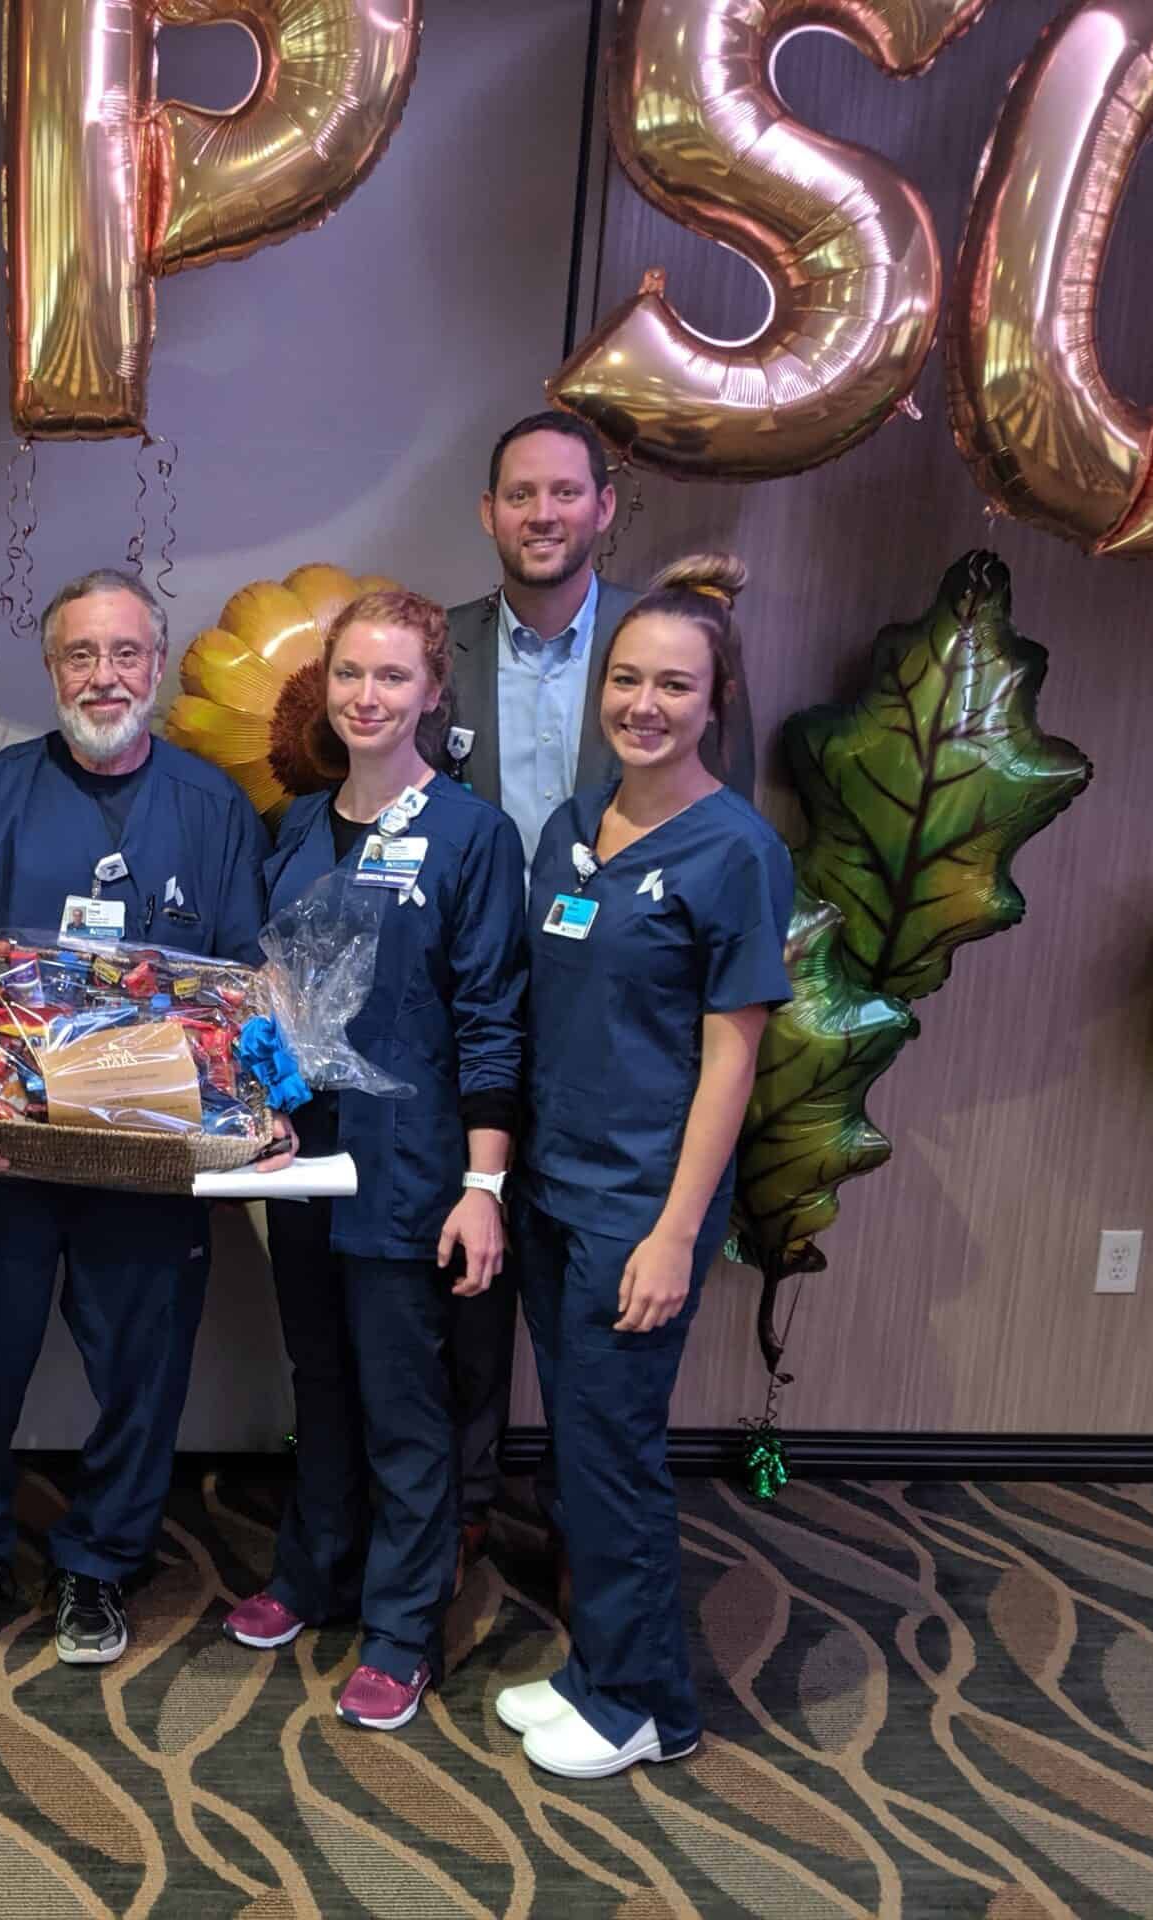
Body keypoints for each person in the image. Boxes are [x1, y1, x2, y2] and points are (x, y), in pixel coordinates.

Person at [0, 568, 272, 1667]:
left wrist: (265, 1102)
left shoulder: (212, 805)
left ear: (155, 668)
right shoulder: (3, 788)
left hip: (148, 1159)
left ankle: (98, 1563)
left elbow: (252, 977)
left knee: (143, 1363)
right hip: (6, 1146)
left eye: (125, 653)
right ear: (51, 668)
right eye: (81, 654)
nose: (104, 675)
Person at [436, 408, 758, 1585]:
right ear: (488, 513)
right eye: (519, 494)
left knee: (597, 1307)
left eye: (564, 493)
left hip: (618, 1009)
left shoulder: (665, 650)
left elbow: (730, 828)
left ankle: (589, 1536)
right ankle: (464, 1506)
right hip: (473, 1012)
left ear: (603, 508)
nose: (541, 514)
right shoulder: (444, 647)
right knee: (472, 1278)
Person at [494, 554, 793, 1780]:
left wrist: (678, 1232)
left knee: (612, 1455)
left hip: (637, 1207)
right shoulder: (573, 826)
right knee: (578, 1447)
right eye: (625, 679)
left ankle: (637, 1701)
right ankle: (619, 1680)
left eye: (674, 685)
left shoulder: (735, 852)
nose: (644, 705)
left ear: (715, 699)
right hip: (554, 1188)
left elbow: (733, 1061)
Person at [221, 590, 527, 1734]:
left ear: (433, 691)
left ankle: (402, 1627)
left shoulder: (471, 837)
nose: (367, 697)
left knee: (406, 1403)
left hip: (411, 1167)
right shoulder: (294, 828)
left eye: (393, 677)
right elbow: (268, 998)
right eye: (351, 674)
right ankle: (314, 1573)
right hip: (302, 1158)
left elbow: (494, 1020)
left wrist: (483, 1185)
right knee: (322, 1382)